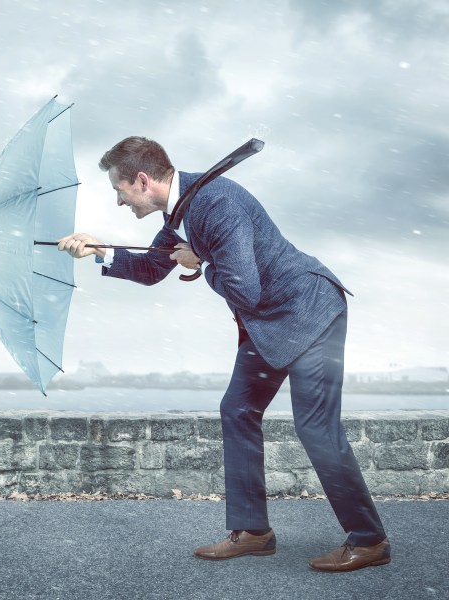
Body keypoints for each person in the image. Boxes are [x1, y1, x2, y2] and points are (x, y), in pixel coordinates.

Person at [57, 136, 390, 572]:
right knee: (237, 410)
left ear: (141, 180)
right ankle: (253, 532)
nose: (119, 203)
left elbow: (245, 291)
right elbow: (153, 268)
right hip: (267, 323)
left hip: (309, 313)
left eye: (118, 191)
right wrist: (101, 252)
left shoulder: (216, 204)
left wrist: (202, 265)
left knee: (315, 428)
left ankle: (369, 541)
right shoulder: (180, 213)